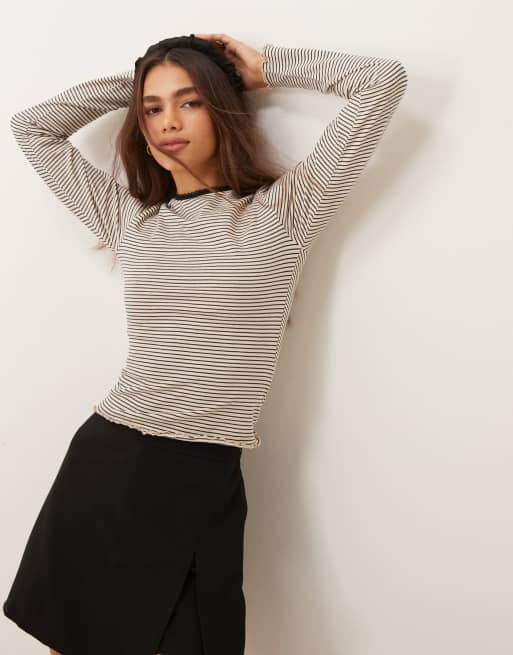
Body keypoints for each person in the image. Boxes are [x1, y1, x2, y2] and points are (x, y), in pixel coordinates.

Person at [3, 33, 408, 655]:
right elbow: (32, 128)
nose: (168, 123)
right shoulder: (131, 219)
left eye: (189, 102)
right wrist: (138, 80)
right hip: (108, 465)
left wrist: (259, 68)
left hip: (203, 473)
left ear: (222, 108)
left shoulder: (282, 214)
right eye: (153, 109)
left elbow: (381, 84)